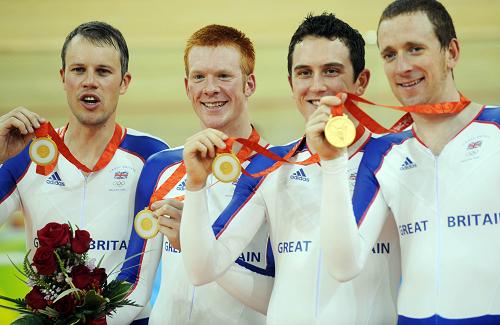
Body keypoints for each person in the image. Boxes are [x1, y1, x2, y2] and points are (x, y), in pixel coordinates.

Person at [180, 14, 401, 324]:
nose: (316, 86)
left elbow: (344, 266)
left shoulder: (393, 155)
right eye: (304, 73)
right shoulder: (270, 165)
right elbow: (201, 269)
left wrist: (333, 160)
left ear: (361, 81)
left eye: (331, 71)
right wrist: (195, 184)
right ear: (291, 83)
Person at [311, 0, 500, 323]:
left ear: (451, 52)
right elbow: (343, 265)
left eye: (415, 49)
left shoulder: (496, 130)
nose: (402, 67)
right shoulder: (383, 152)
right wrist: (331, 164)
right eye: (390, 54)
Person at [0, 21, 168, 324]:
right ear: (63, 78)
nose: (90, 81)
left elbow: (140, 277)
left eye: (103, 71)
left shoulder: (152, 157)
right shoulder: (27, 153)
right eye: (78, 70)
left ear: (124, 82)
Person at [116, 24, 272, 324]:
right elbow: (134, 284)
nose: (210, 88)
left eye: (223, 76)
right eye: (199, 77)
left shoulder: (279, 171)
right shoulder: (161, 168)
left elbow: (282, 296)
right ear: (187, 86)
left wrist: (196, 244)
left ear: (249, 84)